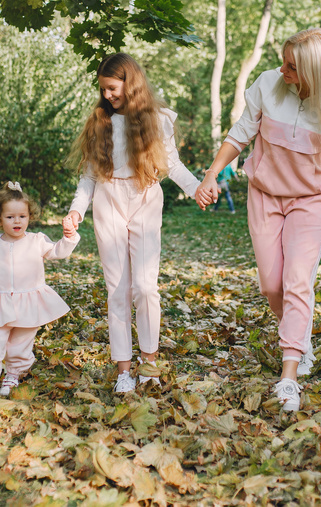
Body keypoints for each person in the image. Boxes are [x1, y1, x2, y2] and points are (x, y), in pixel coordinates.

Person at [196, 27, 321, 412]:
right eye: (284, 61)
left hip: (309, 202)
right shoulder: (269, 83)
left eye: (292, 66)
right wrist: (210, 174)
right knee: (273, 286)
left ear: (315, 74)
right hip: (265, 197)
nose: (283, 69)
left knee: (297, 281)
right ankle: (299, 334)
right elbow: (240, 134)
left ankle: (289, 375)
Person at [65, 53, 212, 393]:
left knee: (145, 287)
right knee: (117, 290)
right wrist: (77, 210)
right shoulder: (101, 120)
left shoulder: (157, 120)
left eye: (113, 89)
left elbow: (172, 164)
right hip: (107, 200)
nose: (107, 96)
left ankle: (150, 363)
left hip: (145, 197)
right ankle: (123, 371)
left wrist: (196, 189)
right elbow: (89, 175)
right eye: (103, 90)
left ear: (130, 84)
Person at [0, 182, 79, 401]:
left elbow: (57, 251)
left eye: (22, 216)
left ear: (29, 217)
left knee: (21, 343)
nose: (17, 221)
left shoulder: (37, 240)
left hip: (29, 302)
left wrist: (68, 237)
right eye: (10, 217)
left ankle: (13, 375)